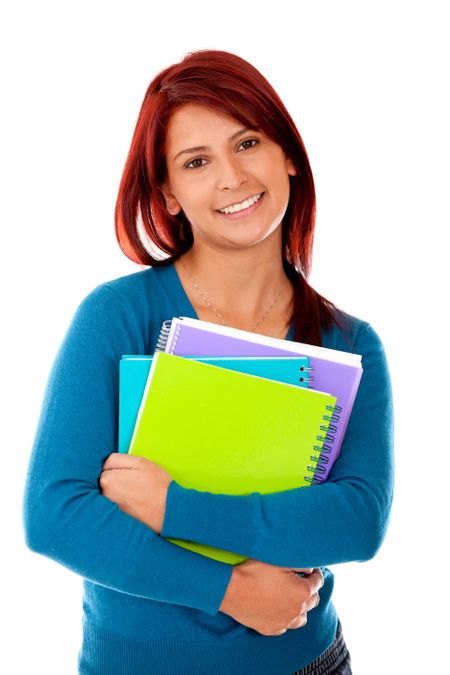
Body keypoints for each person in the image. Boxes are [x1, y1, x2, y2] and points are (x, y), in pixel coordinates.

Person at [22, 49, 394, 675]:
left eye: (247, 142)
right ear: (167, 193)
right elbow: (56, 515)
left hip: (304, 661)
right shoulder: (118, 315)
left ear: (289, 158)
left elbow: (356, 521)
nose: (231, 176)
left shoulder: (350, 341)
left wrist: (175, 508)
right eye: (197, 161)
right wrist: (231, 592)